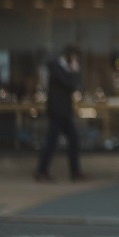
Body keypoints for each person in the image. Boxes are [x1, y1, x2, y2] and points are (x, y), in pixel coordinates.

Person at [35, 45, 87, 182]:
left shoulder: (62, 68)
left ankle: (74, 172)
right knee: (51, 142)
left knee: (73, 140)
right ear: (69, 55)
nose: (76, 60)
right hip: (57, 111)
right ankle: (41, 171)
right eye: (75, 57)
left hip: (64, 112)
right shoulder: (55, 66)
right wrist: (74, 71)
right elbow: (70, 85)